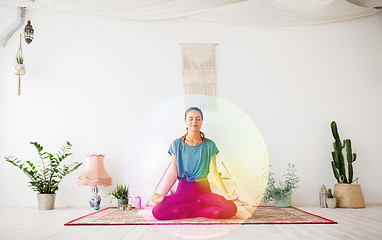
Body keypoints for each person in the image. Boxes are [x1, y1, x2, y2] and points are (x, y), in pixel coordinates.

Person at [151, 107, 238, 220]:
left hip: (204, 191)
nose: (194, 121)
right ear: (185, 122)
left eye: (198, 119)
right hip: (183, 191)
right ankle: (197, 207)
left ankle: (190, 210)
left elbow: (214, 173)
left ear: (202, 121)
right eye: (191, 118)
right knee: (157, 211)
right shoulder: (176, 144)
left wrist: (225, 193)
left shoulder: (210, 145)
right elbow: (173, 173)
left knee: (231, 208)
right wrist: (162, 194)